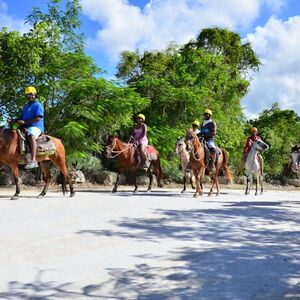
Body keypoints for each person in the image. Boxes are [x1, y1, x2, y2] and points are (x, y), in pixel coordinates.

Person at [13, 86, 44, 169]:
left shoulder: (38, 105)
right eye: (29, 95)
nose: (31, 96)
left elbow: (38, 118)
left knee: (30, 135)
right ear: (26, 96)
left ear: (35, 95)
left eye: (32, 94)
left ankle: (33, 160)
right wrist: (14, 120)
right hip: (26, 126)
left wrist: (25, 122)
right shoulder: (26, 106)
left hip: (36, 126)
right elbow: (22, 116)